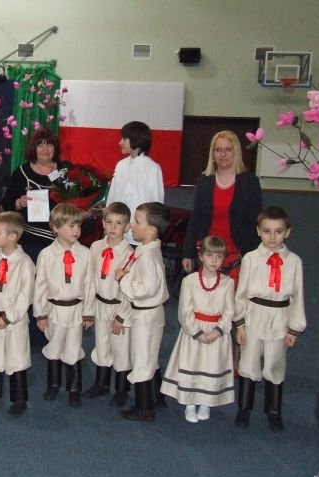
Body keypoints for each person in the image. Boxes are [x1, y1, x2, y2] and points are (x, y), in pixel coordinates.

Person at [233, 206, 305, 431]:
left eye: (278, 231)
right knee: (249, 361)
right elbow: (241, 293)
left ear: (288, 232)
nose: (272, 237)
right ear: (258, 231)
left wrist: (294, 328)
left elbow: (297, 296)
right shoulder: (251, 259)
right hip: (254, 315)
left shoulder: (294, 262)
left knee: (275, 363)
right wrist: (240, 323)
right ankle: (244, 409)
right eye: (266, 231)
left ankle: (274, 411)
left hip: (280, 317)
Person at [161, 236, 235, 423]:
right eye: (210, 255)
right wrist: (197, 332)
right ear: (201, 257)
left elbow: (229, 312)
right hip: (194, 333)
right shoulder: (190, 281)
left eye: (219, 257)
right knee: (192, 364)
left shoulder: (228, 283)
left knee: (211, 365)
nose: (214, 260)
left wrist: (218, 331)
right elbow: (184, 311)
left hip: (216, 333)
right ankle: (190, 403)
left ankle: (205, 403)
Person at [182, 130, 262, 283]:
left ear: (236, 152)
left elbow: (256, 222)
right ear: (213, 154)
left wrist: (256, 255)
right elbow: (196, 219)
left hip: (238, 253)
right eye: (218, 150)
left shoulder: (250, 182)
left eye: (228, 149)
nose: (223, 154)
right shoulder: (204, 181)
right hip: (208, 252)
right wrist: (188, 253)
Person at [114, 202, 170, 421]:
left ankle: (144, 408)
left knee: (142, 358)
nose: (132, 225)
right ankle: (156, 397)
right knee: (148, 356)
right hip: (146, 314)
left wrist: (123, 279)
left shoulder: (148, 257)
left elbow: (144, 290)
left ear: (152, 230)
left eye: (137, 221)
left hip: (146, 316)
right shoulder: (146, 250)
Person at [34, 203, 92, 407]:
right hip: (54, 310)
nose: (76, 230)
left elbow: (89, 285)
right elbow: (40, 286)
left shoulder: (85, 254)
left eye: (78, 226)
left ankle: (74, 388)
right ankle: (53, 384)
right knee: (54, 347)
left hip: (76, 309)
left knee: (74, 349)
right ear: (56, 227)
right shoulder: (46, 254)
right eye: (71, 226)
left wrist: (88, 313)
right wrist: (40, 314)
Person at [0, 211, 35, 415]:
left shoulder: (25, 263)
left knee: (17, 357)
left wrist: (8, 317)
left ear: (12, 236)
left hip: (14, 320)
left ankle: (19, 398)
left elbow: (25, 296)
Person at [82, 202, 135, 406]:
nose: (113, 227)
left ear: (127, 226)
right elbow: (90, 281)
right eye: (109, 222)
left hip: (119, 306)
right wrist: (88, 311)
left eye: (119, 223)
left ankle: (121, 389)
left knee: (120, 349)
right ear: (103, 223)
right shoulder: (96, 247)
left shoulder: (130, 253)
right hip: (100, 305)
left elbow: (129, 290)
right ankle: (101, 383)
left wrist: (122, 317)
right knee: (102, 344)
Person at [1, 128, 65, 261]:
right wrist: (19, 203)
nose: (45, 149)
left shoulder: (66, 170)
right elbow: (6, 203)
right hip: (29, 241)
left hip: (62, 240)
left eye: (49, 144)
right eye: (40, 145)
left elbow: (79, 199)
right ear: (33, 148)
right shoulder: (21, 172)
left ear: (55, 148)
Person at [105, 121, 164, 246]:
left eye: (124, 139)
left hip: (140, 237)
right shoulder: (121, 165)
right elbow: (112, 198)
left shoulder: (152, 168)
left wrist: (150, 234)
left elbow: (157, 203)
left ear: (135, 140)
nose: (120, 142)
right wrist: (107, 222)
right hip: (117, 232)